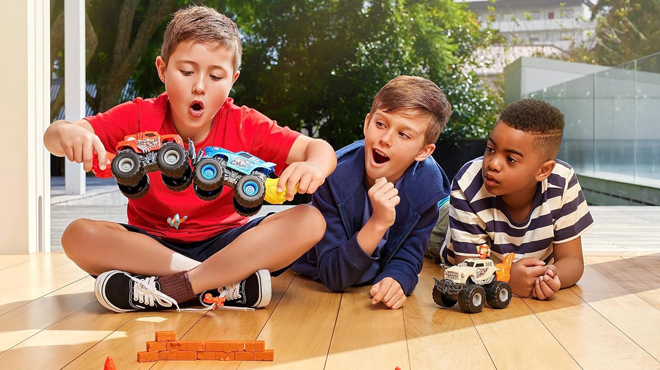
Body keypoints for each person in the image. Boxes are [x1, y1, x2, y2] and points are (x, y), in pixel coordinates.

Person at [43, 5, 336, 312]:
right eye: (186, 72)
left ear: (232, 79)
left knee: (310, 220)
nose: (199, 85)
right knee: (77, 235)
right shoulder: (139, 115)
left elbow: (318, 149)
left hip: (231, 245)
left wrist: (313, 165)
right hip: (151, 247)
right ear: (162, 70)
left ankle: (169, 288)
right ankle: (222, 285)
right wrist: (68, 134)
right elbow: (53, 136)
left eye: (216, 76)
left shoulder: (243, 122)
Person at [291, 76, 452, 310]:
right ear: (367, 124)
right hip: (317, 275)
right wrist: (378, 222)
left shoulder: (428, 186)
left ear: (424, 151)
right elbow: (333, 276)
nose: (385, 139)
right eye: (381, 124)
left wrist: (397, 279)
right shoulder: (334, 177)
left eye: (403, 135)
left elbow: (409, 254)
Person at [437, 99, 594, 300]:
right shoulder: (468, 182)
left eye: (511, 159)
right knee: (428, 227)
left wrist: (551, 279)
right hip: (449, 235)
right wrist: (508, 280)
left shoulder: (563, 181)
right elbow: (468, 264)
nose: (493, 164)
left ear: (543, 171)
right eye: (490, 149)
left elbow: (572, 260)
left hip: (511, 259)